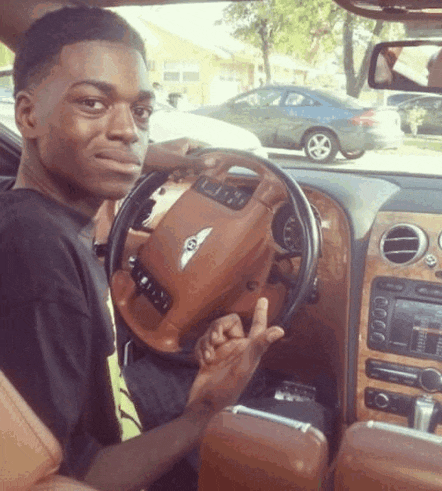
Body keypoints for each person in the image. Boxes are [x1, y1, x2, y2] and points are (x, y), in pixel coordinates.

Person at [0, 6, 284, 491]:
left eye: (141, 111)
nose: (128, 131)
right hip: (109, 460)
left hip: (111, 402)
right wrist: (203, 414)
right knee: (282, 409)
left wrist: (174, 159)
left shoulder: (32, 210)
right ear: (28, 115)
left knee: (194, 363)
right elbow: (69, 475)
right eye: (93, 103)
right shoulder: (40, 255)